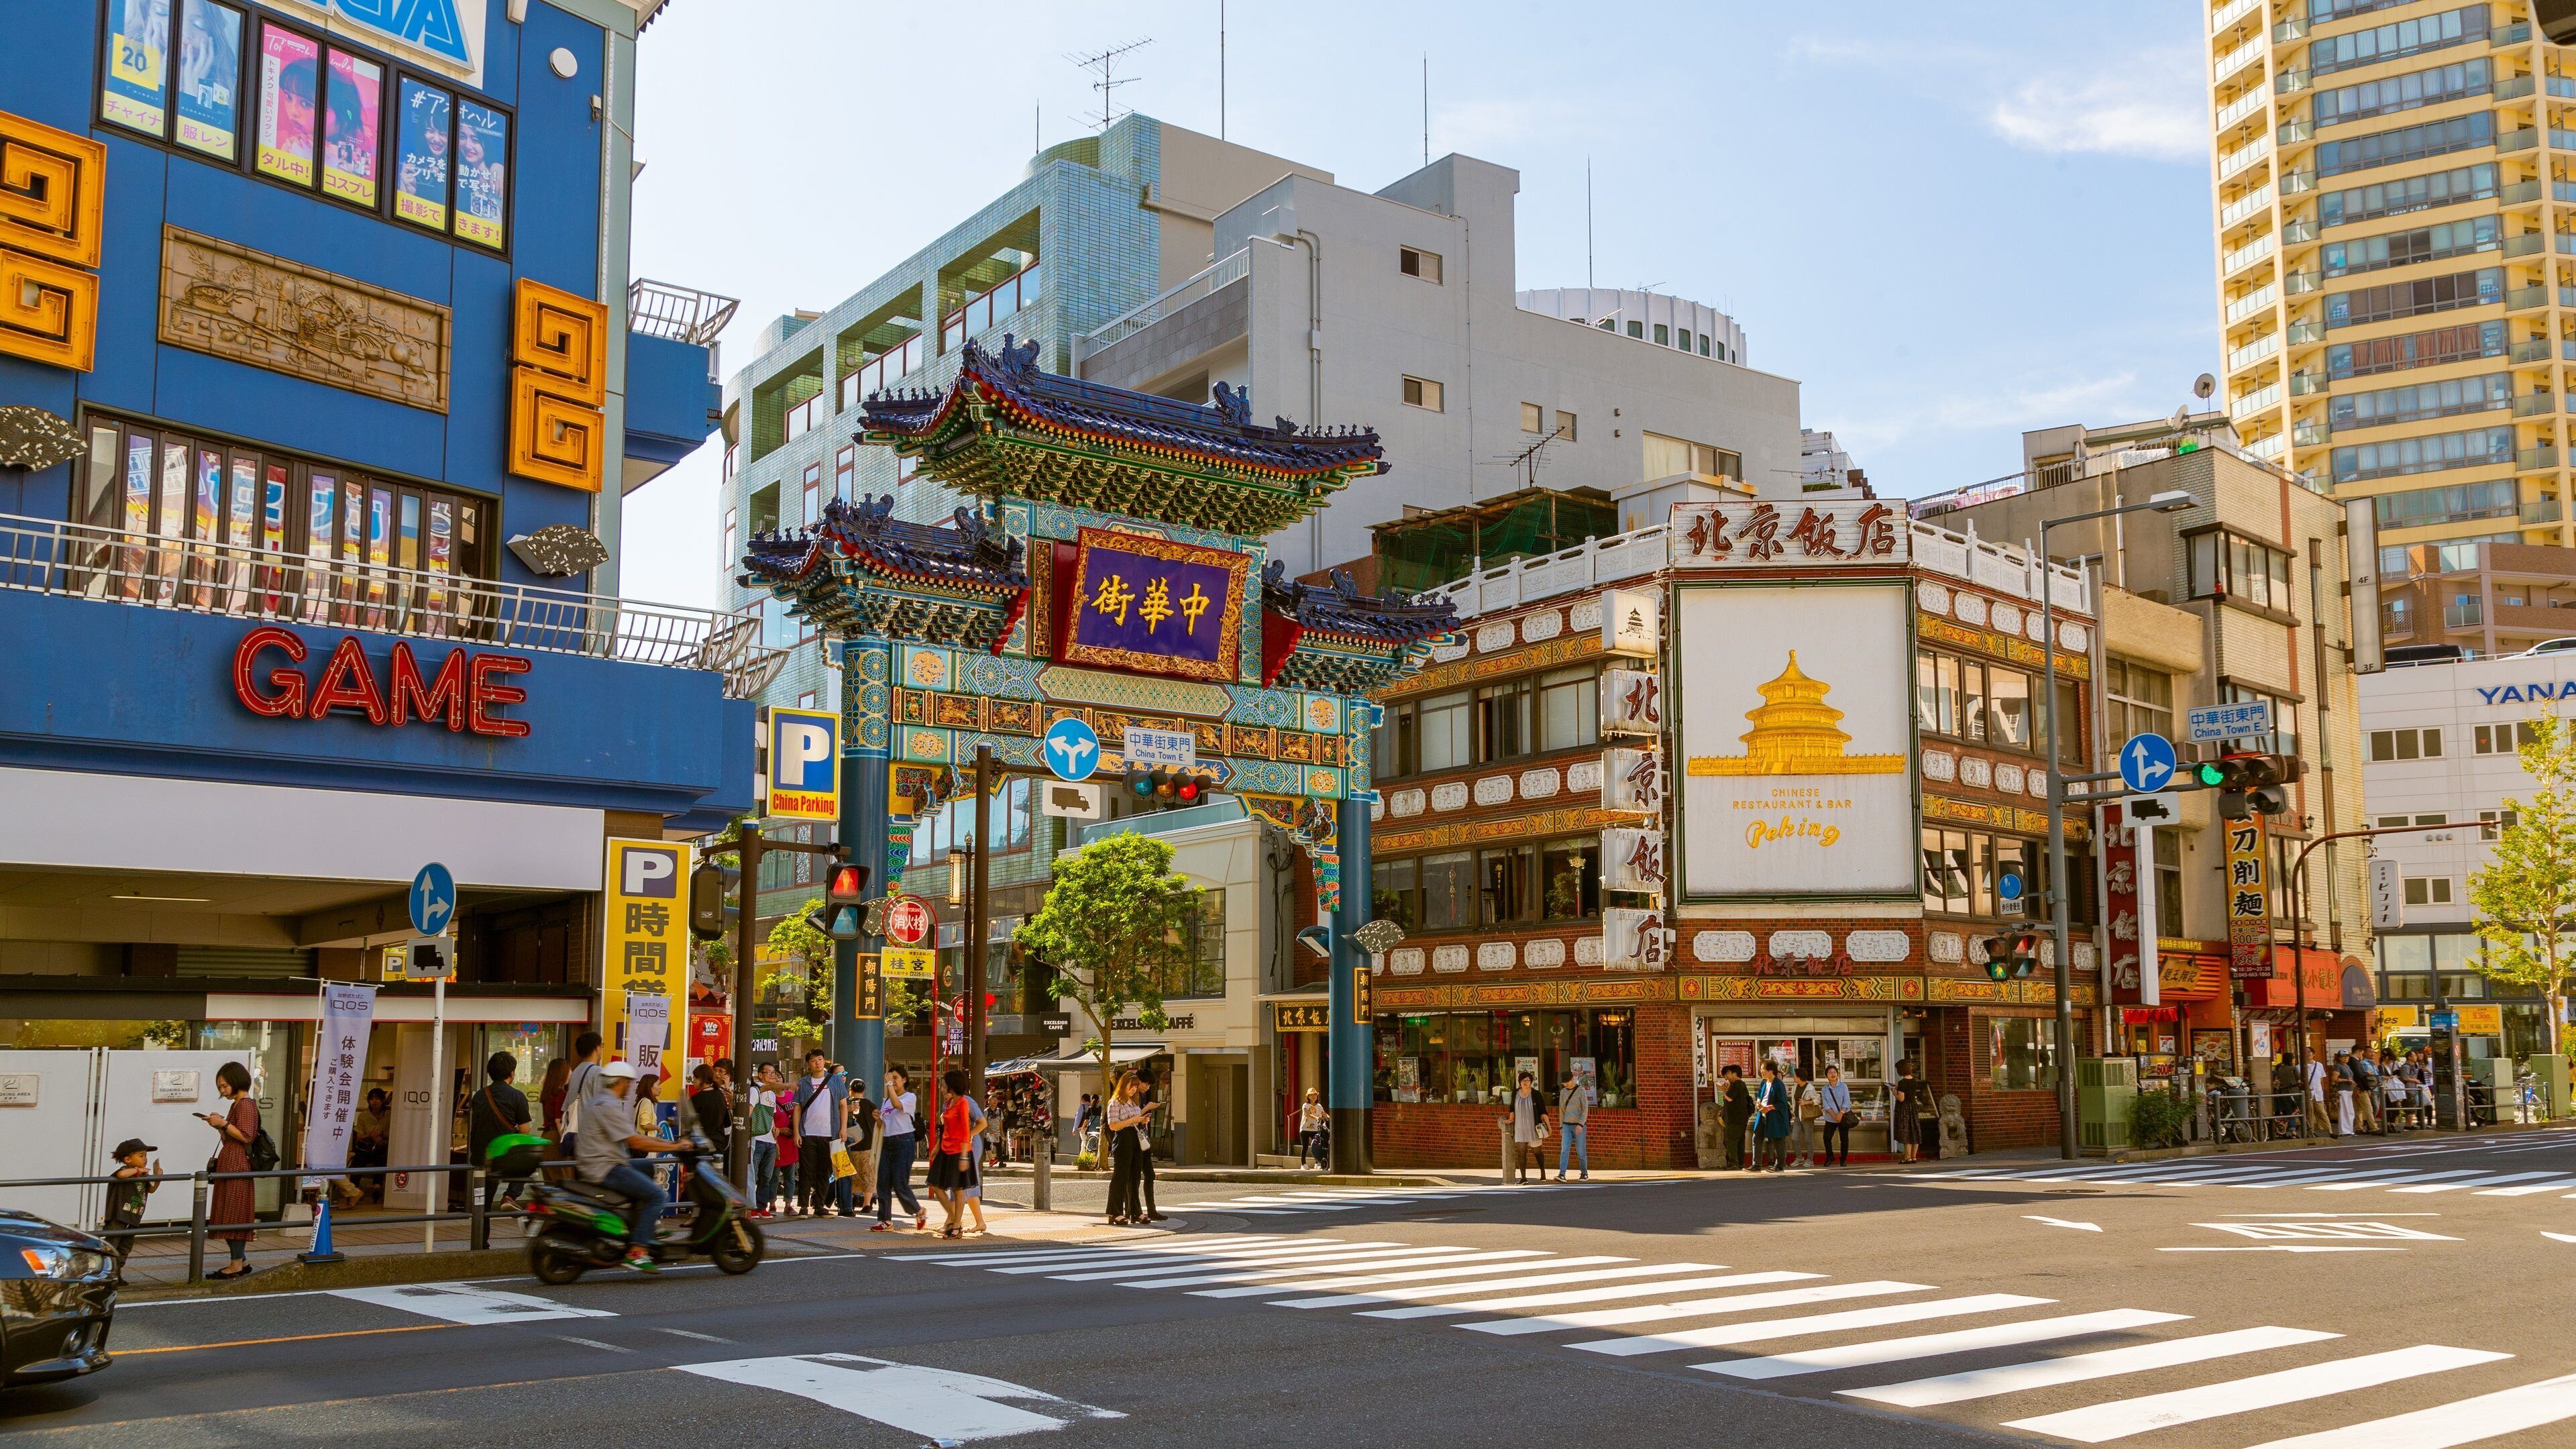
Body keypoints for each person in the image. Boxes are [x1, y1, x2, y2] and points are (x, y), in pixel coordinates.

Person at [576, 1059, 684, 1271]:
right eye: (629, 1082)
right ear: (621, 1082)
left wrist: (673, 1144)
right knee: (658, 1196)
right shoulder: (608, 1106)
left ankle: (644, 1225)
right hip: (607, 1168)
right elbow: (634, 1140)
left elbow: (633, 1136)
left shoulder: (601, 1101)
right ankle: (637, 1252)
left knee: (647, 1167)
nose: (631, 1086)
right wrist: (676, 1147)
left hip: (605, 1162)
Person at [202, 1060, 260, 1279]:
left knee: (234, 1214)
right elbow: (230, 1139)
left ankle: (236, 1264)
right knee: (228, 1214)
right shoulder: (237, 1104)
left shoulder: (245, 1104)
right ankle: (241, 1261)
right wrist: (220, 1125)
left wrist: (224, 1124)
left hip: (238, 1166)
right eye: (220, 1087)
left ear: (236, 1081)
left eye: (224, 1086)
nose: (223, 1090)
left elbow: (246, 1135)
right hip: (231, 1163)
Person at [467, 1051, 534, 1218]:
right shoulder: (517, 1096)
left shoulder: (479, 1095)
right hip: (505, 1156)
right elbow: (525, 1131)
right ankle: (510, 1195)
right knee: (529, 1161)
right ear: (512, 1073)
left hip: (482, 1157)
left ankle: (481, 1242)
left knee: (484, 1205)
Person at [923, 1066, 977, 1238]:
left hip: (959, 1151)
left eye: (944, 1084)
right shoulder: (948, 1103)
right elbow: (946, 1127)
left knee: (958, 1189)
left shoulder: (963, 1104)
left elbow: (964, 1131)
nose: (941, 1087)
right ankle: (955, 1220)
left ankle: (956, 1226)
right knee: (936, 1185)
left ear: (952, 1086)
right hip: (946, 1149)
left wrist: (963, 1156)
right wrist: (938, 1146)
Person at [793, 1049, 846, 1218]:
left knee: (825, 1170)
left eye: (820, 1059)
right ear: (809, 1064)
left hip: (829, 1133)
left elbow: (843, 1105)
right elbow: (797, 1109)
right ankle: (803, 1207)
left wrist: (843, 1129)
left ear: (825, 1061)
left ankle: (820, 1206)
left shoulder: (835, 1081)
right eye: (814, 1060)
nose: (818, 1062)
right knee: (806, 1171)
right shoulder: (803, 1083)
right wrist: (796, 1133)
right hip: (807, 1132)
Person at [873, 1066, 925, 1232]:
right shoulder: (886, 1100)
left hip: (904, 1142)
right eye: (891, 1078)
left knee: (900, 1183)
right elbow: (884, 1124)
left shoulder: (909, 1097)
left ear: (904, 1080)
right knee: (883, 1183)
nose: (893, 1081)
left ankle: (918, 1210)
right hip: (888, 1143)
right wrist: (878, 1118)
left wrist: (889, 1084)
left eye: (896, 1078)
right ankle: (884, 1220)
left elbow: (897, 1104)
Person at [99, 1138, 159, 1273]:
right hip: (118, 1216)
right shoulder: (125, 1171)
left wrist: (157, 1176)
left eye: (146, 1155)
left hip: (134, 1216)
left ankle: (117, 1272)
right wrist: (138, 1170)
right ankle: (106, 1272)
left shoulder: (141, 1175)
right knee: (112, 1244)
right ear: (127, 1160)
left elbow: (151, 1189)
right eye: (141, 1155)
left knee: (126, 1247)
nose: (145, 1159)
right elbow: (121, 1175)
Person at [1104, 1075, 1150, 1226]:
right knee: (1121, 1176)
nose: (1133, 1089)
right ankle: (1115, 1212)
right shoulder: (1115, 1103)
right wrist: (1133, 1120)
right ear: (1123, 1085)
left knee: (1135, 1176)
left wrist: (1143, 1120)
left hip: (1136, 1139)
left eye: (1136, 1087)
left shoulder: (1133, 1102)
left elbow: (1135, 1120)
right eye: (1131, 1086)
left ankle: (1135, 1211)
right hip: (1123, 1139)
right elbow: (1113, 1126)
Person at [744, 1064, 780, 1216]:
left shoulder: (772, 1093)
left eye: (774, 1072)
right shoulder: (755, 1090)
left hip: (770, 1139)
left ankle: (761, 1207)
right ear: (760, 1075)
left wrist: (775, 1129)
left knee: (767, 1176)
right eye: (768, 1072)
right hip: (757, 1138)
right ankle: (751, 1207)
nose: (772, 1075)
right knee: (753, 1173)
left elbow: (770, 1116)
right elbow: (749, 1111)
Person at [349, 1087, 391, 1201]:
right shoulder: (363, 1116)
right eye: (371, 1099)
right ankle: (354, 1189)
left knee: (382, 1158)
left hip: (382, 1147)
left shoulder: (390, 1115)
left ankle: (377, 1187)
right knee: (357, 1161)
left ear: (383, 1100)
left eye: (377, 1099)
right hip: (365, 1148)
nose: (374, 1101)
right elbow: (358, 1137)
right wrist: (370, 1135)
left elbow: (393, 1134)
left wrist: (380, 1135)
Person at [959, 1091, 992, 1236]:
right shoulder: (949, 1102)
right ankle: (979, 1222)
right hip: (961, 1144)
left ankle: (954, 1222)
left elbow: (982, 1123)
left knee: (964, 1183)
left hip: (971, 1144)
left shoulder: (967, 1101)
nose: (942, 1088)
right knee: (969, 1184)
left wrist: (968, 1135)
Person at [844, 1093, 881, 1219]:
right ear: (864, 1091)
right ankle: (867, 1203)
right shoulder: (871, 1105)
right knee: (868, 1174)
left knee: (852, 1175)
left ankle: (852, 1200)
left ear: (850, 1090)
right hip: (868, 1144)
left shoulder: (848, 1104)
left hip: (851, 1143)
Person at [1751, 1061, 1792, 1173]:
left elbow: (1782, 1103)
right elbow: (1760, 1095)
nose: (1761, 1072)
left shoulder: (1778, 1084)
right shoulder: (1764, 1083)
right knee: (1756, 1137)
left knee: (1777, 1140)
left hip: (1774, 1117)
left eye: (1763, 1069)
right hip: (1762, 1115)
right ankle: (1756, 1164)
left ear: (1771, 1071)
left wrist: (1768, 1108)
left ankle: (1780, 1165)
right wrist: (1758, 1102)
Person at [1506, 1071, 1547, 1182]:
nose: (1525, 1082)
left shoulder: (1536, 1094)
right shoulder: (1515, 1093)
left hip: (1534, 1128)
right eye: (1523, 1080)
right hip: (1520, 1128)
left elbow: (1543, 1111)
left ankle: (1543, 1173)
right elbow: (1512, 1108)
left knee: (1537, 1151)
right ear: (1520, 1082)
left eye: (1528, 1080)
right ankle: (1523, 1178)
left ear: (1531, 1082)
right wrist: (1511, 1118)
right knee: (1521, 1152)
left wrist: (1549, 1126)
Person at [1555, 1071, 1592, 1181]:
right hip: (1567, 1125)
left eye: (1567, 1082)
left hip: (1579, 1125)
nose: (1566, 1085)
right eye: (1564, 1083)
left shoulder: (1581, 1090)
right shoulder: (1563, 1092)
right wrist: (1561, 1126)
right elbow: (1561, 1110)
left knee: (1580, 1150)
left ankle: (1584, 1173)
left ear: (1572, 1079)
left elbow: (1585, 1109)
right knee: (1564, 1149)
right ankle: (1562, 1174)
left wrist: (1581, 1124)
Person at [1817, 1064, 1854, 1167]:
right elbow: (1826, 1105)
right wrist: (1835, 1116)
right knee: (1827, 1137)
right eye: (1830, 1072)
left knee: (1844, 1139)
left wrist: (1841, 1114)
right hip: (1831, 1117)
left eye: (1834, 1072)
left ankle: (1843, 1159)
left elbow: (1846, 1102)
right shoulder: (1824, 1089)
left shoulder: (1843, 1086)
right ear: (1827, 1076)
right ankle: (1830, 1156)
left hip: (1843, 1116)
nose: (1833, 1074)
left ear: (1837, 1074)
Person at [1719, 1066, 1754, 1171]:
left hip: (1734, 1119)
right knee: (1740, 1141)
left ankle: (1733, 1163)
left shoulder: (1737, 1084)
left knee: (1731, 1141)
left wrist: (1723, 1090)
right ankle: (1740, 1163)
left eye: (1728, 1074)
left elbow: (1729, 1098)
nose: (1727, 1077)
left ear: (1734, 1074)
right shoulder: (1742, 1085)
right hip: (1742, 1118)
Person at [1890, 1062, 1925, 1165]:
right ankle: (1914, 1156)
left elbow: (1901, 1099)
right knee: (1914, 1131)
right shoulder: (1914, 1081)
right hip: (1913, 1107)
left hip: (1904, 1109)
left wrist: (1894, 1092)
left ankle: (1907, 1157)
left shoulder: (1902, 1082)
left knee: (1906, 1132)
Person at [1790, 1066, 1820, 1171]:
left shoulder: (1810, 1088)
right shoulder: (1795, 1087)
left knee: (1808, 1139)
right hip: (1798, 1117)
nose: (1793, 1077)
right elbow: (1794, 1102)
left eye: (1794, 1075)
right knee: (1794, 1137)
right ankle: (1799, 1158)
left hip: (1807, 1117)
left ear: (1799, 1077)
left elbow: (1818, 1100)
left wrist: (1806, 1102)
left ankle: (1810, 1159)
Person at [1295, 1088, 1329, 1169]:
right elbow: (1308, 1114)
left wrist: (1329, 1118)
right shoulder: (1305, 1106)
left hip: (1315, 1129)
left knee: (1317, 1146)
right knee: (1305, 1147)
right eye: (1312, 1095)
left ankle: (1317, 1163)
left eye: (1315, 1095)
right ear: (1308, 1097)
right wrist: (1317, 1118)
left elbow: (1324, 1114)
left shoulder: (1319, 1106)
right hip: (1305, 1129)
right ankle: (1303, 1164)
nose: (1314, 1097)